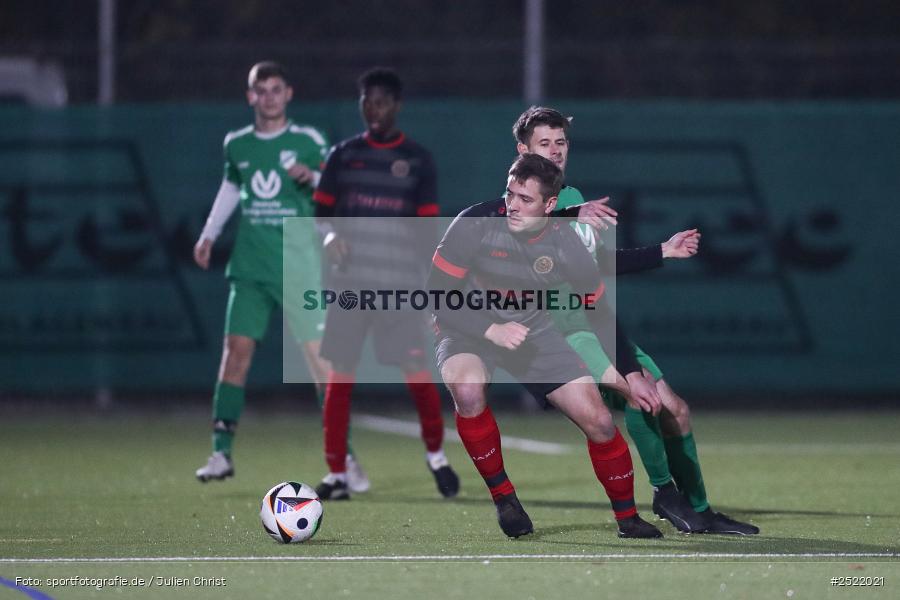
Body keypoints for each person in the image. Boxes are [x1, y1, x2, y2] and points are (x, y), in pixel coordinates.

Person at [511, 106, 759, 535]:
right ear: (523, 149)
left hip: (594, 322)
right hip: (559, 334)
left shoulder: (572, 199)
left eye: (561, 142)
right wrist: (569, 217)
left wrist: (662, 250)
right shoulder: (519, 201)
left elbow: (594, 266)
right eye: (544, 144)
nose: (555, 152)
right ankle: (664, 493)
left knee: (676, 411)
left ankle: (700, 508)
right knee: (640, 394)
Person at [429, 152, 665, 539]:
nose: (512, 206)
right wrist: (490, 329)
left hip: (534, 330)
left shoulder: (566, 244)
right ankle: (504, 497)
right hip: (467, 327)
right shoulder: (474, 224)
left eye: (525, 200)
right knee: (468, 390)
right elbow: (436, 295)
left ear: (550, 205)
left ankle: (628, 518)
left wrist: (631, 374)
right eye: (509, 194)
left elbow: (600, 314)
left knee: (601, 421)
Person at [192, 61, 369, 492]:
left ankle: (342, 458)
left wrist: (314, 177)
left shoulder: (308, 140)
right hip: (251, 266)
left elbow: (336, 187)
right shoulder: (238, 144)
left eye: (275, 89)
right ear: (250, 96)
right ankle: (221, 451)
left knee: (319, 366)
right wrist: (209, 234)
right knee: (235, 355)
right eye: (260, 90)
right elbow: (232, 187)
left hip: (300, 264)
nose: (268, 97)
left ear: (288, 93)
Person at [312, 67, 459, 500]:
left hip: (397, 288)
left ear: (396, 105)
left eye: (382, 101)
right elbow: (320, 215)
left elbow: (425, 232)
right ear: (360, 105)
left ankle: (436, 456)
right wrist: (331, 235)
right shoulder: (342, 156)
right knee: (339, 380)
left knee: (417, 376)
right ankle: (337, 473)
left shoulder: (417, 160)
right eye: (367, 101)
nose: (373, 109)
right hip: (351, 288)